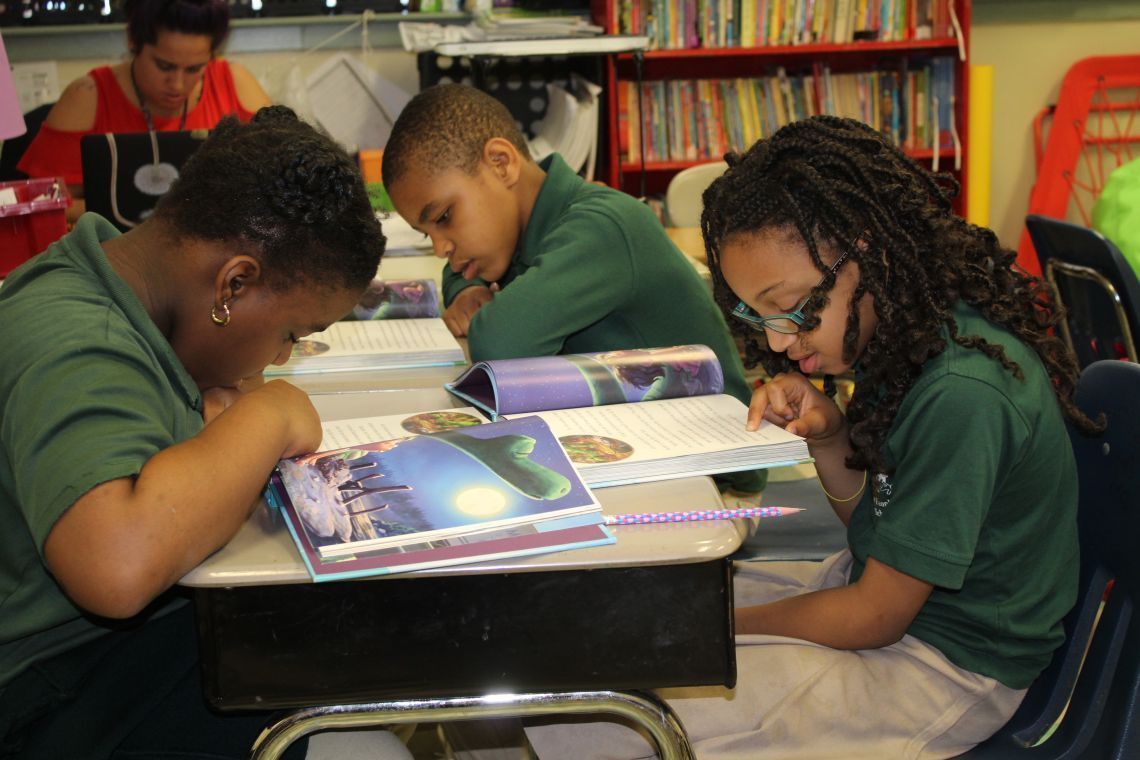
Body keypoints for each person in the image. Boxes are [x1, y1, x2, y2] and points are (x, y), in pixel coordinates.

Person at [491, 115, 1103, 759]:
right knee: (612, 626)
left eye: (790, 307)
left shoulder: (962, 393)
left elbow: (874, 617)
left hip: (945, 669)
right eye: (759, 314)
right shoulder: (898, 334)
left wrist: (718, 629)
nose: (779, 340)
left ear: (869, 253)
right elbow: (870, 525)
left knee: (608, 713)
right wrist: (830, 434)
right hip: (880, 600)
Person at [0, 106, 408, 759]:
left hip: (111, 658)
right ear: (233, 283)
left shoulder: (120, 298)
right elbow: (116, 564)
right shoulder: (75, 341)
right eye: (290, 335)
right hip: (52, 691)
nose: (278, 359)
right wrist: (267, 415)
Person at [381, 82, 764, 495]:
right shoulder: (519, 230)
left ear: (500, 163)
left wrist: (485, 302)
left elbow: (500, 345)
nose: (441, 248)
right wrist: (463, 287)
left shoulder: (603, 225)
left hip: (710, 479)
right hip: (629, 449)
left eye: (444, 217)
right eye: (427, 235)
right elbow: (460, 273)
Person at [16, 0, 271, 221]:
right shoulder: (87, 97)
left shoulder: (235, 85)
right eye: (164, 66)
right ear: (133, 41)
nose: (178, 84)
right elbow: (43, 204)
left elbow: (282, 180)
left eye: (194, 69)